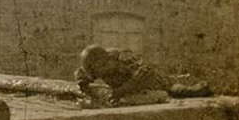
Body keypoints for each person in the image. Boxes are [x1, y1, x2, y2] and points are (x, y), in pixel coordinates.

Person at [74, 45, 212, 106]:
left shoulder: (123, 57)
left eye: (98, 70)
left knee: (178, 91)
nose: (98, 75)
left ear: (104, 62)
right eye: (95, 72)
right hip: (132, 92)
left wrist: (123, 90)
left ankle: (203, 87)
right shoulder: (96, 65)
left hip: (157, 83)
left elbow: (145, 71)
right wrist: (83, 84)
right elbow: (81, 73)